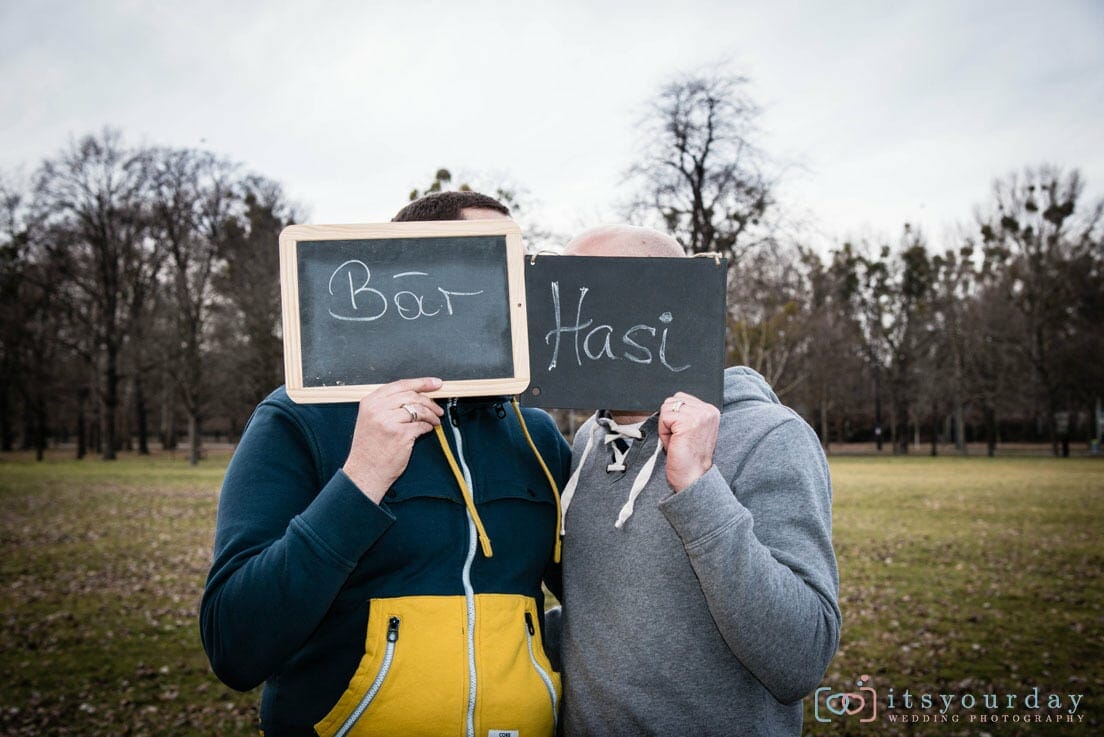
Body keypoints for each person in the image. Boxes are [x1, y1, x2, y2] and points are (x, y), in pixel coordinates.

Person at [200, 191, 570, 737]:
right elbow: (235, 645)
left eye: (518, 266)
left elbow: (609, 600)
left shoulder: (534, 433)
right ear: (418, 270)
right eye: (492, 262)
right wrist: (364, 476)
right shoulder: (298, 417)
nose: (514, 292)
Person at [553, 225, 840, 737]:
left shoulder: (769, 436)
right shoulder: (584, 444)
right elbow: (605, 622)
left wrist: (699, 487)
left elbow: (801, 656)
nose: (569, 316)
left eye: (592, 291)